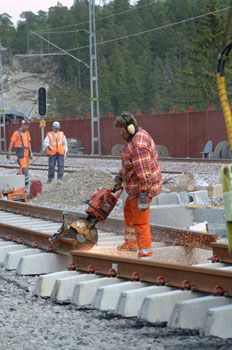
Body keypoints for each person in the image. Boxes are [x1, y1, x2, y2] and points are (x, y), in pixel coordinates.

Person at [113, 112, 162, 258]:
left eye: (121, 131)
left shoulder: (138, 146)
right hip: (136, 186)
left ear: (129, 128)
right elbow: (130, 164)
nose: (120, 135)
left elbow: (144, 176)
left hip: (143, 188)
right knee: (128, 209)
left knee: (140, 222)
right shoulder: (133, 137)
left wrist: (143, 198)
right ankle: (131, 244)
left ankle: (146, 254)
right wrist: (119, 178)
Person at [7, 119, 33, 189]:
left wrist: (31, 153)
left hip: (27, 153)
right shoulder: (16, 133)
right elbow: (11, 142)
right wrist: (9, 153)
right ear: (22, 125)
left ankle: (16, 181)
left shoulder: (27, 133)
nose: (27, 126)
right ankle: (26, 185)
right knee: (25, 170)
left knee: (22, 169)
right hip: (21, 153)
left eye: (28, 125)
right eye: (26, 125)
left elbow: (29, 143)